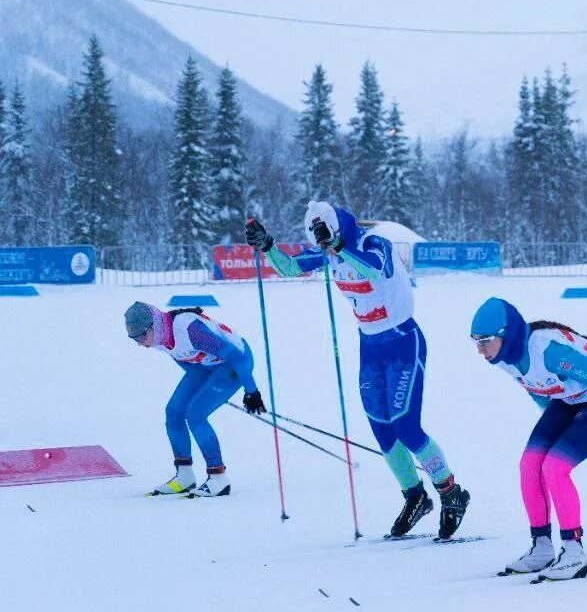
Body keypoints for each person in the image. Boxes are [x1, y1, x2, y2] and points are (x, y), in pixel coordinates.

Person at [244, 201, 469, 539]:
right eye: (319, 242)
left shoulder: (373, 242)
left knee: (406, 427)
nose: (323, 247)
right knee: (382, 430)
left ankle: (451, 492)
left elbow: (375, 270)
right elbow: (291, 268)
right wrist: (269, 247)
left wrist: (339, 247)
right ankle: (415, 497)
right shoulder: (330, 253)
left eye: (327, 239)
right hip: (371, 347)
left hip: (403, 342)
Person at [470, 297, 587, 582]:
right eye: (474, 341)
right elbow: (534, 387)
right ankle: (542, 548)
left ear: (504, 334)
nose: (479, 350)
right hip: (567, 402)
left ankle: (574, 552)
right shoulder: (502, 356)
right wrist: (565, 429)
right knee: (530, 465)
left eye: (484, 341)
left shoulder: (548, 351)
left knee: (554, 468)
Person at [126, 302, 265, 497]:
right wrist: (205, 390)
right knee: (174, 412)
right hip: (205, 366)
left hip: (233, 364)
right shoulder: (159, 338)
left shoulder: (188, 330)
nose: (140, 343)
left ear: (153, 325)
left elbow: (237, 357)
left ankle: (218, 478)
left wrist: (251, 391)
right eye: (134, 339)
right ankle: (185, 476)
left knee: (195, 415)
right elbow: (187, 363)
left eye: (141, 336)